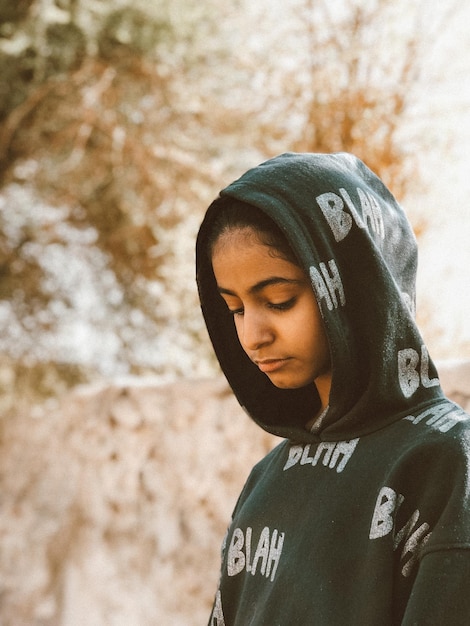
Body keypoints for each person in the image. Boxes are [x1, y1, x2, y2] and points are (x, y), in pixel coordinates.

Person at [195, 152, 470, 625]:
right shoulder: (267, 480)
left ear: (357, 284)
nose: (252, 335)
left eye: (279, 301)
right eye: (236, 309)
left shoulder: (444, 461)